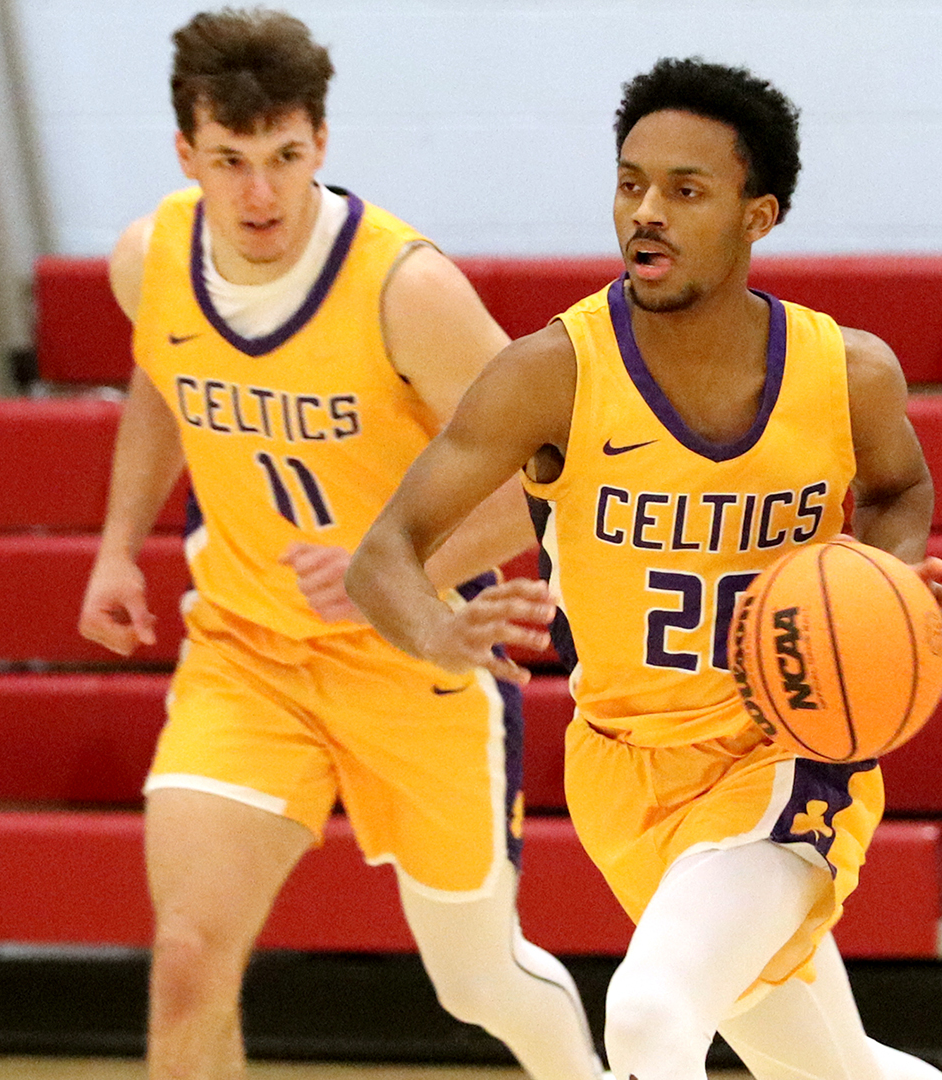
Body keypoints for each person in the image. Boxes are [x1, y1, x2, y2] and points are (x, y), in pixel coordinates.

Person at [347, 56, 942, 1080]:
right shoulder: (552, 372)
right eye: (632, 183)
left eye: (687, 190)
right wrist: (437, 633)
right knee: (828, 1068)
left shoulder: (847, 372)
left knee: (646, 1015)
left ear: (758, 214)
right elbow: (384, 557)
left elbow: (900, 490)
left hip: (787, 749)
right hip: (624, 767)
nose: (648, 212)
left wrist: (887, 580)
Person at [74, 10, 603, 1080]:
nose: (260, 195)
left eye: (285, 158)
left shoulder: (404, 288)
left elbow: (561, 468)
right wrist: (118, 544)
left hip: (417, 663)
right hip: (247, 657)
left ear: (322, 142)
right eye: (231, 162)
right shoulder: (152, 261)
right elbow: (162, 382)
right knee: (185, 957)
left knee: (476, 980)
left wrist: (390, 573)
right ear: (187, 155)